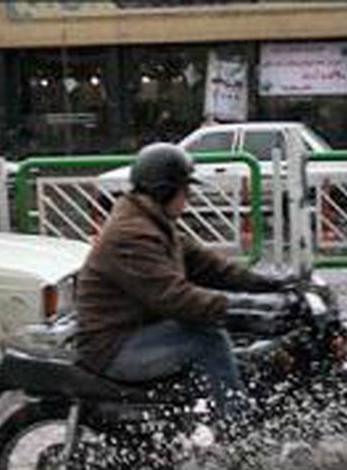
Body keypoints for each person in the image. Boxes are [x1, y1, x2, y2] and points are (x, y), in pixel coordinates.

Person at [75, 142, 295, 434]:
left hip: (139, 332)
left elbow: (212, 268)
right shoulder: (132, 236)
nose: (189, 198)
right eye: (185, 190)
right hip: (114, 346)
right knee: (208, 339)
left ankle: (198, 428)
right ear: (164, 191)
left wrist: (273, 286)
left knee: (235, 342)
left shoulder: (155, 224)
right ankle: (239, 437)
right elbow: (175, 298)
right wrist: (243, 309)